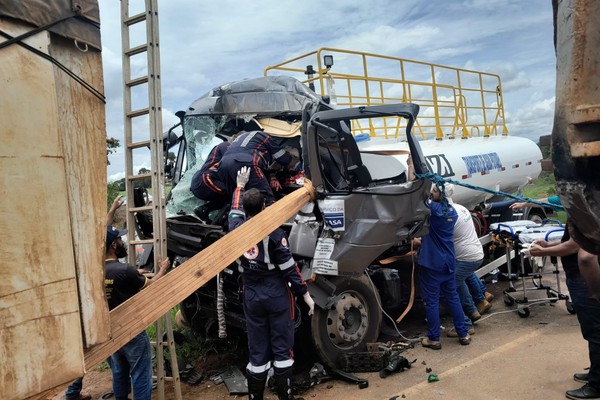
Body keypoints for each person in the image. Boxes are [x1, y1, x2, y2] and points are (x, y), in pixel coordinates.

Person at [228, 166, 314, 400]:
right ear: (265, 207)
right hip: (276, 295)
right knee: (282, 348)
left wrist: (239, 186)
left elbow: (234, 211)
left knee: (257, 349)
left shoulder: (236, 229)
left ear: (246, 209)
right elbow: (289, 269)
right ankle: (285, 396)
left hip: (252, 295)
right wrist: (304, 294)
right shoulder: (275, 235)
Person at [528, 224, 600, 399]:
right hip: (581, 277)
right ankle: (596, 372)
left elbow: (578, 250)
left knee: (595, 332)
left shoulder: (585, 209)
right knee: (593, 331)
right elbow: (573, 241)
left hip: (585, 279)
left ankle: (597, 384)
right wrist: (548, 244)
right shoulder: (582, 209)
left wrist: (543, 252)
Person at [65, 196, 126, 400]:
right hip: (90, 312)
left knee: (86, 354)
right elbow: (105, 234)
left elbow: (105, 232)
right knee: (106, 357)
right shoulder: (88, 255)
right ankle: (119, 394)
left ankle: (73, 393)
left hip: (85, 311)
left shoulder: (86, 247)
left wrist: (112, 208)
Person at [407, 155, 470, 350]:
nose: (432, 191)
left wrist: (411, 165)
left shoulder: (433, 210)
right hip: (448, 262)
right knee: (452, 297)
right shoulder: (451, 212)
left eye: (434, 190)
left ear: (438, 194)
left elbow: (413, 189)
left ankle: (434, 338)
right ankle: (464, 333)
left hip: (433, 263)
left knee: (432, 301)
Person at [105, 225, 171, 400]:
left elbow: (122, 282)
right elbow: (153, 285)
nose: (122, 243)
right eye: (119, 240)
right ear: (113, 245)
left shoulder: (97, 271)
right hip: (131, 330)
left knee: (119, 372)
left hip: (110, 331)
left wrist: (137, 274)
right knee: (141, 374)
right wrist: (163, 269)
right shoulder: (125, 271)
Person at [443, 184, 489, 337]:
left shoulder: (448, 214)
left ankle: (465, 325)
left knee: (448, 289)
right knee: (460, 280)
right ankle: (474, 309)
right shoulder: (460, 207)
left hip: (466, 258)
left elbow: (441, 240)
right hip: (474, 253)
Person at [218, 130, 300, 206]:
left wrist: (272, 176)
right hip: (246, 162)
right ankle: (273, 218)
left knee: (238, 200)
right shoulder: (263, 136)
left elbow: (263, 170)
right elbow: (281, 156)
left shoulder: (242, 141)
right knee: (265, 198)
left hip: (222, 167)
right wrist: (299, 165)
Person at [190, 140, 231, 221]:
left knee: (228, 196)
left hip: (201, 181)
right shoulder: (226, 146)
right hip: (204, 180)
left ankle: (204, 210)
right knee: (235, 192)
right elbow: (230, 163)